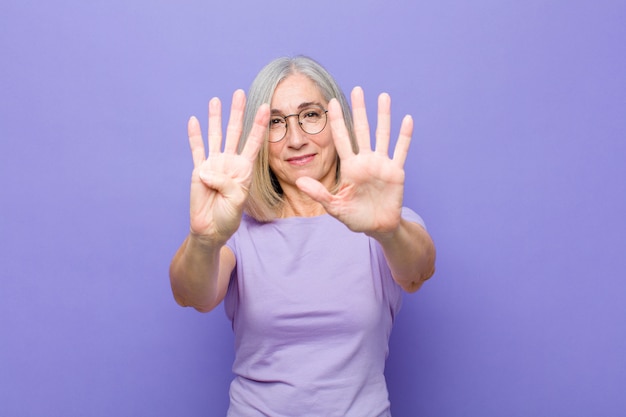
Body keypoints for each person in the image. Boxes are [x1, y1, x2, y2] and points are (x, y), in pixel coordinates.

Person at [169, 56, 436, 417]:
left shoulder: (383, 223)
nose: (296, 139)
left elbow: (418, 270)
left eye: (311, 115)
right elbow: (191, 296)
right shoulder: (236, 231)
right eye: (276, 122)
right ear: (259, 138)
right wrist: (203, 240)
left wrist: (389, 232)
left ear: (336, 121)